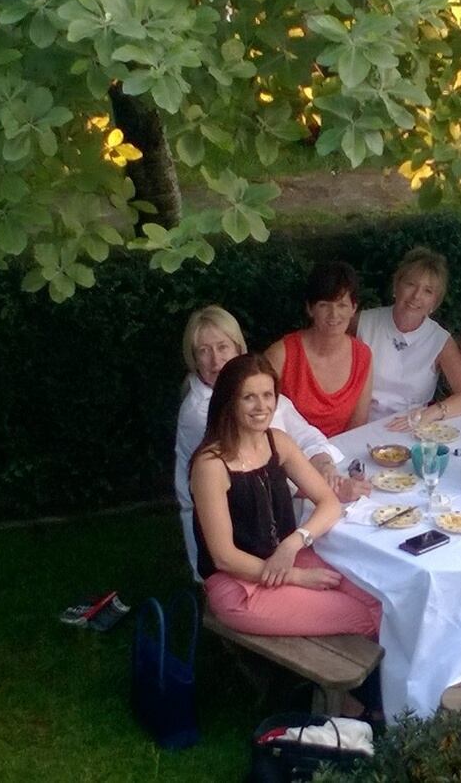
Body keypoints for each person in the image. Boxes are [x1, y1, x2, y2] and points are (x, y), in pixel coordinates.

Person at [190, 353, 382, 638]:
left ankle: (381, 678)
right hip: (239, 583)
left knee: (380, 602)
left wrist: (292, 544)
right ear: (229, 402)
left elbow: (328, 501)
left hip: (288, 558)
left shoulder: (277, 442)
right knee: (363, 617)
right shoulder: (211, 465)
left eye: (268, 395)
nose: (261, 406)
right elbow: (224, 557)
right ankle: (359, 682)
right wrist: (297, 577)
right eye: (249, 397)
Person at [174, 305, 367, 582]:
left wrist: (322, 466)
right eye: (204, 351)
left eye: (222, 347)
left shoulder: (256, 390)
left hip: (276, 532)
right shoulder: (202, 415)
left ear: (238, 348)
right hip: (240, 547)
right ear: (193, 359)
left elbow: (304, 436)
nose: (216, 360)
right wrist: (314, 483)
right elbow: (250, 482)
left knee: (356, 577)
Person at [355, 247, 461, 430]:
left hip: (411, 428)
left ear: (434, 303)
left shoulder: (439, 340)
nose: (417, 296)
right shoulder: (362, 322)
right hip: (361, 425)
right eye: (411, 284)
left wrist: (431, 413)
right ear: (396, 286)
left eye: (428, 291)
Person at [264, 262, 373, 437]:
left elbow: (357, 425)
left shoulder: (363, 355)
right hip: (290, 455)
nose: (334, 314)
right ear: (310, 308)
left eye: (342, 305)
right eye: (324, 305)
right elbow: (261, 418)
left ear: (354, 308)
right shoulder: (281, 355)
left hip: (341, 454)